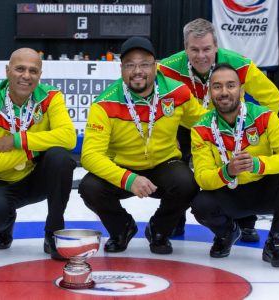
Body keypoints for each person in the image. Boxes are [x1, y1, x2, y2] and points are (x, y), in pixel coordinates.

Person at [78, 37, 206, 255]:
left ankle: (159, 229)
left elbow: (205, 124)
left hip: (164, 164)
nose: (138, 71)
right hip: (123, 168)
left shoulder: (178, 92)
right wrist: (128, 179)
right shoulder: (104, 103)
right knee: (89, 187)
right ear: (121, 69)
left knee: (188, 183)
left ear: (155, 66)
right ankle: (121, 229)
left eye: (145, 64)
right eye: (130, 64)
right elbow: (89, 156)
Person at [159, 18, 279, 241]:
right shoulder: (166, 68)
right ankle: (175, 220)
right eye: (194, 50)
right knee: (176, 170)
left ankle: (246, 222)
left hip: (232, 125)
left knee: (242, 162)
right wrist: (165, 134)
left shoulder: (239, 64)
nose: (201, 56)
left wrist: (258, 128)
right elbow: (152, 102)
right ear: (185, 48)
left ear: (216, 45)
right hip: (188, 127)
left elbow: (273, 97)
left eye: (207, 49)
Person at [191, 63, 279, 267]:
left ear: (242, 90)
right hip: (230, 192)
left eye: (231, 85)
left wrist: (258, 164)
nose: (224, 92)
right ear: (209, 92)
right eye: (217, 86)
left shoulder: (264, 116)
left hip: (263, 189)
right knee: (201, 204)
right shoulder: (200, 127)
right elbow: (202, 177)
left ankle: (274, 242)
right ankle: (228, 233)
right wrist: (228, 171)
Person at [0, 48, 77, 260]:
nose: (26, 76)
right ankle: (4, 228)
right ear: (7, 70)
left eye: (33, 71)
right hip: (4, 181)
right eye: (20, 69)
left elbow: (68, 138)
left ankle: (53, 232)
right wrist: (33, 151)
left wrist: (17, 140)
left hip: (39, 178)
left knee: (61, 158)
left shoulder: (51, 97)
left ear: (40, 74)